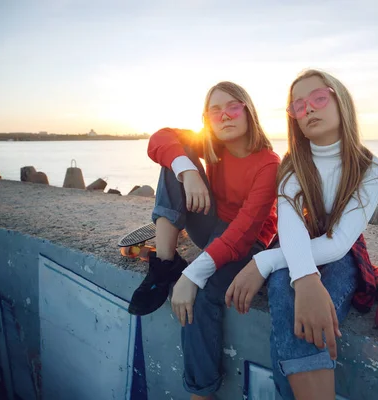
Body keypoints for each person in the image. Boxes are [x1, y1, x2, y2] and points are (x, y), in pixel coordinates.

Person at [226, 69, 378, 400]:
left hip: (342, 254)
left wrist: (264, 260)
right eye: (298, 106)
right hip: (294, 243)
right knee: (283, 293)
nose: (309, 109)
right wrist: (302, 277)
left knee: (301, 303)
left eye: (318, 98)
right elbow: (290, 228)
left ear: (340, 100)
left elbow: (341, 242)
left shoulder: (371, 168)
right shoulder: (292, 164)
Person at [128, 81, 280, 400]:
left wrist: (194, 274)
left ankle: (201, 393)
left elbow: (243, 232)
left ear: (248, 111)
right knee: (175, 161)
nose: (224, 115)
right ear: (206, 119)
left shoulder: (268, 163)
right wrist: (189, 171)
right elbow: (160, 139)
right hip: (210, 224)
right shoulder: (212, 145)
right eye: (215, 110)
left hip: (247, 241)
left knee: (199, 296)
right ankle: (165, 265)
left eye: (233, 106)